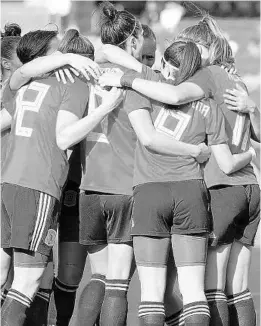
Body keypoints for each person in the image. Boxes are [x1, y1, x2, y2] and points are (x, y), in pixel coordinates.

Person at [97, 14, 260, 326]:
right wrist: (251, 117)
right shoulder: (230, 82)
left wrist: (126, 78)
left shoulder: (199, 79)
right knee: (232, 288)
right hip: (239, 188)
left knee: (180, 291)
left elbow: (170, 96)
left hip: (208, 187)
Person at [0, 27, 123, 326]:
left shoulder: (23, 84)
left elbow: (15, 85)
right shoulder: (73, 85)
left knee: (9, 273)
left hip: (9, 183)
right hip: (39, 187)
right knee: (29, 281)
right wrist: (105, 108)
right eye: (58, 51)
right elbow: (64, 138)